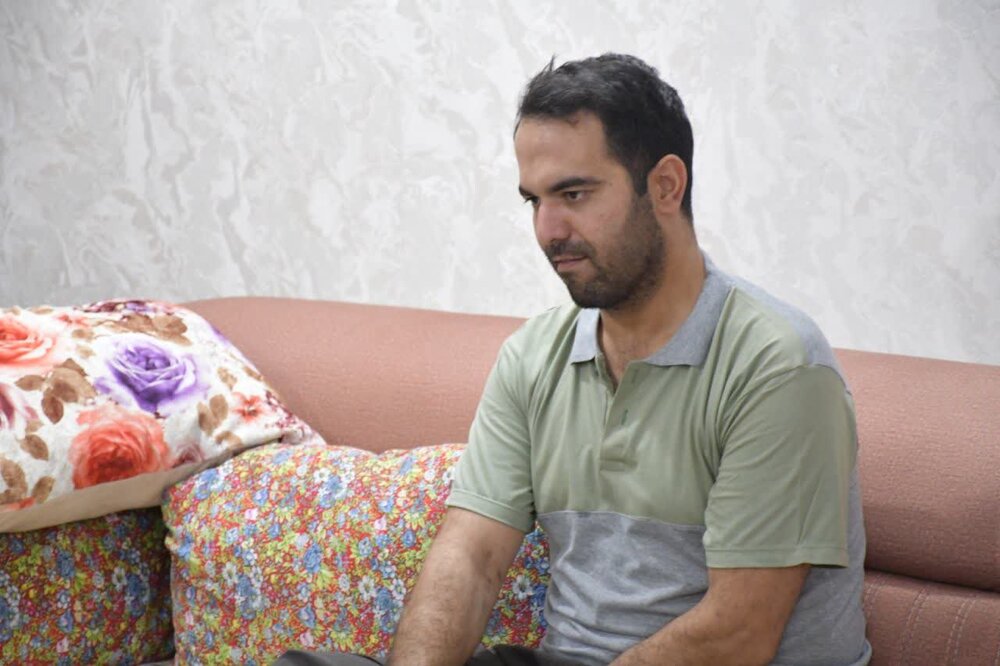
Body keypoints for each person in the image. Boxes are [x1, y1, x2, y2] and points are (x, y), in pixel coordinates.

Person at [275, 53, 871, 666]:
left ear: (665, 186)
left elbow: (739, 633)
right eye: (534, 201)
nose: (548, 230)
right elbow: (472, 558)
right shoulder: (534, 356)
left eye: (574, 194)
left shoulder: (777, 367)